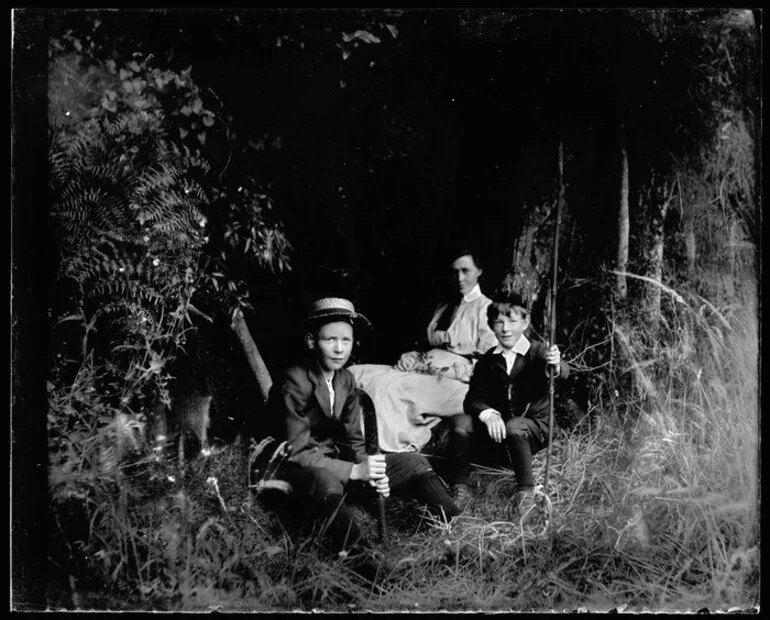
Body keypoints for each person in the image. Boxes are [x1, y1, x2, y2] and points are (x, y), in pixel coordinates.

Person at [267, 297, 459, 572]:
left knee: (412, 462)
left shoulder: (345, 379)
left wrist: (373, 473)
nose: (338, 348)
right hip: (300, 472)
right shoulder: (295, 381)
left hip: (342, 466)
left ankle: (461, 528)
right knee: (323, 478)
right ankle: (363, 562)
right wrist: (356, 471)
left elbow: (354, 440)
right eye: (329, 340)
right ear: (311, 341)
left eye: (345, 340)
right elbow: (295, 454)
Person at [348, 248, 497, 504]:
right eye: (454, 272)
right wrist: (414, 355)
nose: (459, 278)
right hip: (426, 367)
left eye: (466, 271)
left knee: (389, 388)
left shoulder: (486, 309)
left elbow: (489, 363)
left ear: (479, 271)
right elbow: (431, 342)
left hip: (459, 381)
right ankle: (348, 444)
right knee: (360, 374)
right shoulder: (445, 305)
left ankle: (384, 453)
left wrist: (447, 367)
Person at [455, 294, 570, 516]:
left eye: (513, 321)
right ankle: (461, 488)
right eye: (499, 322)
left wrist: (555, 364)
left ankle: (526, 494)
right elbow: (472, 399)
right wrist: (489, 414)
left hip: (534, 430)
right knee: (461, 421)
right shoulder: (488, 360)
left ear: (525, 323)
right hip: (503, 435)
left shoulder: (538, 351)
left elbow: (561, 371)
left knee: (515, 425)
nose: (505, 329)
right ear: (491, 325)